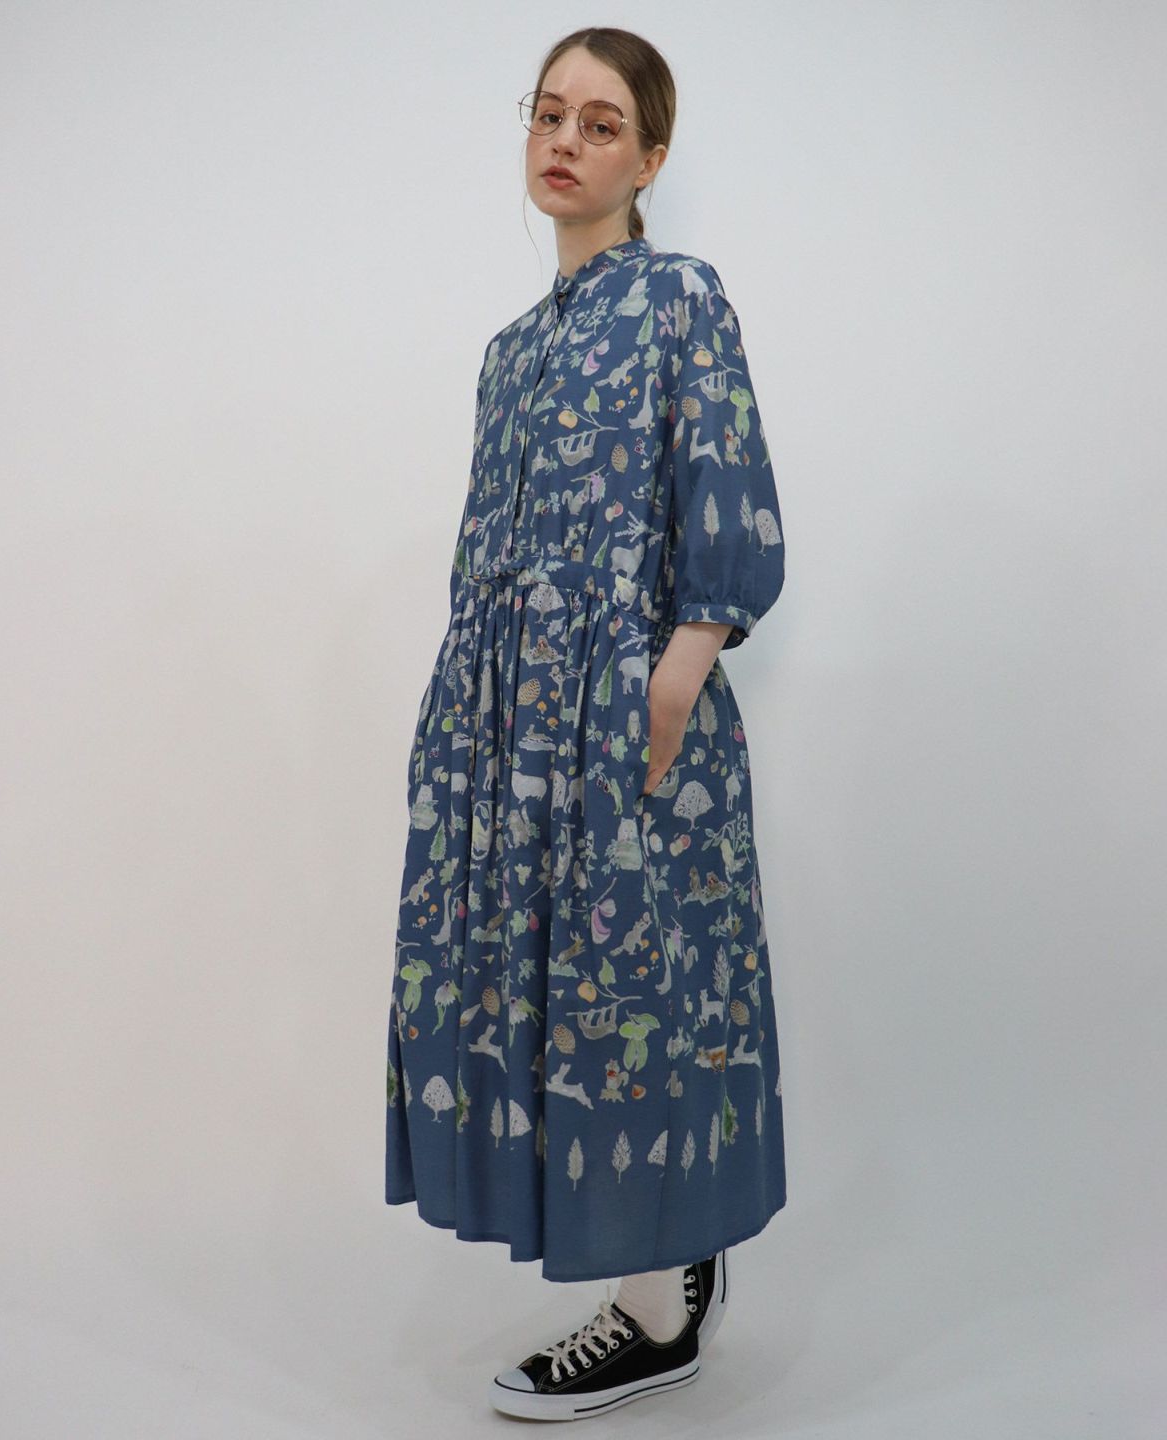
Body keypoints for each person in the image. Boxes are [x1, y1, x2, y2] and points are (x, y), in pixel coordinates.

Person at [384, 26, 787, 1418]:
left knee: (638, 1006)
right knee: (548, 1004)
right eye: (548, 113)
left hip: (625, 719)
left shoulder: (679, 296)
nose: (564, 140)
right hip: (507, 733)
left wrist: (672, 682)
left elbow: (729, 490)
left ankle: (658, 1310)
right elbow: (486, 558)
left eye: (601, 124)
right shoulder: (509, 353)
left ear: (650, 158)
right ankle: (662, 1279)